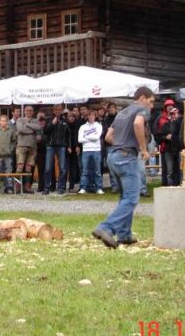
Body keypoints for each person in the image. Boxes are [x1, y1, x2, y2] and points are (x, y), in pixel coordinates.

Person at [91, 87, 154, 249]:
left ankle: (124, 234)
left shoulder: (122, 112)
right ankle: (105, 228)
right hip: (127, 157)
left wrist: (121, 144)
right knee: (132, 198)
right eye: (151, 101)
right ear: (142, 98)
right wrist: (144, 149)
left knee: (125, 196)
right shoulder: (142, 110)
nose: (152, 106)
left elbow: (108, 137)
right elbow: (138, 124)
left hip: (113, 157)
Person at [43, 104, 70, 196]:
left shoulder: (64, 120)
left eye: (59, 110)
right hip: (50, 145)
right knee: (48, 168)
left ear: (61, 111)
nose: (58, 111)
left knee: (62, 168)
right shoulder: (49, 120)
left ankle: (61, 187)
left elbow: (68, 135)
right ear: (53, 111)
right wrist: (52, 124)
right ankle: (46, 187)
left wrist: (69, 146)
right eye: (56, 110)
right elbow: (45, 131)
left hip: (61, 145)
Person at [16, 106, 41, 194]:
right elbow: (20, 129)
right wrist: (32, 130)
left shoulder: (35, 120)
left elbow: (38, 128)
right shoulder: (20, 120)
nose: (29, 112)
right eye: (27, 110)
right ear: (24, 111)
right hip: (21, 146)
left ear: (33, 112)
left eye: (31, 110)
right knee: (20, 166)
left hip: (32, 147)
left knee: (29, 167)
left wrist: (27, 125)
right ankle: (18, 186)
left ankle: (27, 186)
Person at [0, 115, 17, 193]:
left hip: (8, 155)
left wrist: (11, 149)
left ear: (7, 122)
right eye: (2, 121)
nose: (3, 122)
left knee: (8, 172)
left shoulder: (11, 131)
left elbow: (14, 141)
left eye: (5, 121)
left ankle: (8, 188)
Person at [79, 110, 104, 194]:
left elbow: (97, 137)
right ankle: (83, 187)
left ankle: (99, 188)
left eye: (92, 115)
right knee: (85, 170)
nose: (91, 116)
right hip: (86, 150)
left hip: (96, 150)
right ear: (87, 116)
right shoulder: (82, 127)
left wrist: (86, 137)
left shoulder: (99, 126)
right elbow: (80, 139)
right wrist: (90, 138)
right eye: (89, 115)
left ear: (95, 116)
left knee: (97, 170)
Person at [152, 99, 176, 186]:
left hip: (176, 147)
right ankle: (165, 184)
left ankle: (175, 184)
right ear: (165, 107)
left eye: (172, 106)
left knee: (175, 167)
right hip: (164, 146)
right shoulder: (160, 118)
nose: (170, 107)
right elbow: (156, 132)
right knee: (166, 168)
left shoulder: (177, 117)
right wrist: (164, 138)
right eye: (168, 106)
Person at [161, 108, 183, 186]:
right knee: (169, 170)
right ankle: (170, 186)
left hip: (180, 149)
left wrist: (174, 137)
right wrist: (165, 137)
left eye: (175, 113)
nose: (173, 115)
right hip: (169, 149)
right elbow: (160, 136)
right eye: (172, 114)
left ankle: (181, 185)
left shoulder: (182, 124)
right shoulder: (166, 125)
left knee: (181, 169)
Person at [102, 102, 118, 192]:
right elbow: (104, 132)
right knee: (111, 166)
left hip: (119, 144)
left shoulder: (119, 118)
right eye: (110, 107)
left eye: (113, 107)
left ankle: (120, 185)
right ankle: (114, 186)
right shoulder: (106, 119)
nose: (112, 109)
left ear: (115, 108)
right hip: (109, 145)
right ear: (108, 109)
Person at [66, 110, 82, 192]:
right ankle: (65, 185)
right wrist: (67, 147)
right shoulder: (65, 125)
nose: (71, 118)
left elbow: (79, 137)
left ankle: (72, 186)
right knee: (66, 168)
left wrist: (77, 146)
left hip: (75, 147)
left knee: (74, 168)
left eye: (73, 116)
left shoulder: (78, 125)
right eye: (70, 116)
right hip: (67, 149)